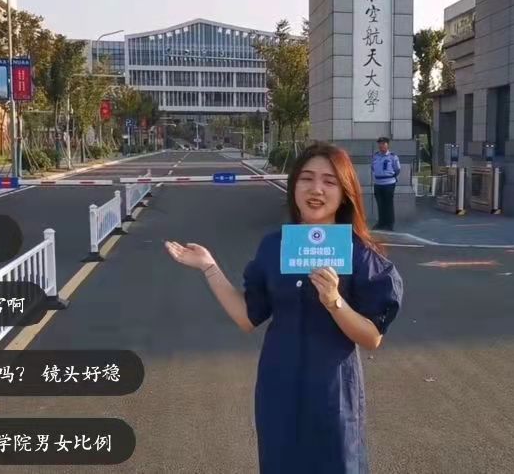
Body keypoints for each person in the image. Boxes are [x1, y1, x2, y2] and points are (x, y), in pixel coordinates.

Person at [164, 142, 404, 473]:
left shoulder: (359, 254)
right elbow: (248, 318)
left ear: (345, 193)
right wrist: (209, 267)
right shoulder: (274, 247)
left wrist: (335, 302)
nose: (316, 189)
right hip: (278, 388)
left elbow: (372, 337)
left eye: (329, 181)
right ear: (293, 187)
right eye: (306, 178)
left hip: (333, 393)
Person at [371, 137, 401, 231]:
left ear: (387, 145)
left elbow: (397, 169)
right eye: (380, 144)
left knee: (388, 204)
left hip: (389, 183)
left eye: (383, 144)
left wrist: (389, 176)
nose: (381, 146)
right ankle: (381, 223)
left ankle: (389, 224)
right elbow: (373, 168)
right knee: (380, 204)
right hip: (378, 183)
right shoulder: (375, 156)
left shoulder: (392, 157)